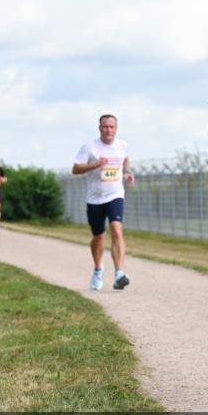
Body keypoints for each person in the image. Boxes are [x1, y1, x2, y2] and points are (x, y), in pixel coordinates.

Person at [72, 114, 135, 290]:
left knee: (116, 229)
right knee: (98, 236)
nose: (108, 130)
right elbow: (75, 169)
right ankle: (98, 269)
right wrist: (96, 164)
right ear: (99, 128)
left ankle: (119, 273)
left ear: (116, 128)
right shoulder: (90, 147)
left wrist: (126, 173)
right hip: (94, 199)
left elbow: (125, 160)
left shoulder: (122, 146)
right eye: (105, 127)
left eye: (111, 127)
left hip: (115, 195)